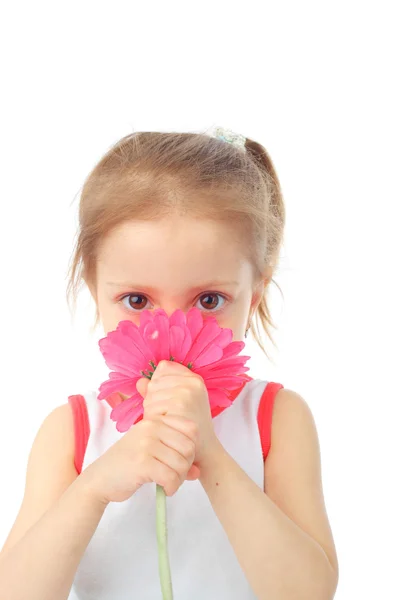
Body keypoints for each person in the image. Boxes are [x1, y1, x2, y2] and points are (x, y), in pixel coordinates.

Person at [0, 127, 339, 599]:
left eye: (209, 299)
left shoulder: (275, 420)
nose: (171, 331)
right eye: (137, 300)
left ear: (255, 295)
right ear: (95, 293)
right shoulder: (72, 432)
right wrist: (93, 487)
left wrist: (212, 455)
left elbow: (308, 592)